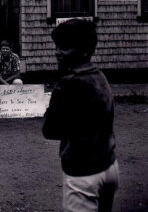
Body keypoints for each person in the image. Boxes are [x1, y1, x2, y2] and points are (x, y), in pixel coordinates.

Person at [43, 19, 118, 212]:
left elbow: (50, 130)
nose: (58, 52)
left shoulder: (68, 83)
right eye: (57, 46)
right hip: (108, 164)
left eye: (65, 47)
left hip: (83, 170)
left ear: (84, 50)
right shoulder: (99, 76)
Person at [0, 40, 23, 105]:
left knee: (18, 82)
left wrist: (6, 82)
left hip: (11, 79)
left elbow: (17, 74)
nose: (4, 50)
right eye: (3, 49)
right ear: (0, 49)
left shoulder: (15, 57)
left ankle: (16, 103)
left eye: (7, 49)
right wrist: (4, 83)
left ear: (11, 50)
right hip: (1, 79)